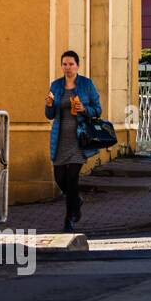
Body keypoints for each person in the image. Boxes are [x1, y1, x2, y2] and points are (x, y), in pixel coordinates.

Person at [44, 50, 104, 232]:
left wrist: (84, 109)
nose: (68, 68)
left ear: (77, 65)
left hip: (79, 140)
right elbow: (50, 115)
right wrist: (48, 105)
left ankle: (69, 218)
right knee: (59, 178)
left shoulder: (86, 85)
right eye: (64, 64)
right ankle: (76, 200)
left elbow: (98, 109)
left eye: (71, 64)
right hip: (60, 139)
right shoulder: (56, 86)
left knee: (71, 180)